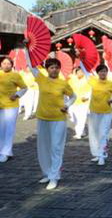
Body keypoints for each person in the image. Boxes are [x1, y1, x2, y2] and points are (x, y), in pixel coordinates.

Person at [24, 49, 76, 189]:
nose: (54, 70)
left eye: (56, 67)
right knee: (43, 147)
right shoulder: (41, 79)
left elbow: (73, 97)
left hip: (58, 118)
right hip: (43, 117)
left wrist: (67, 105)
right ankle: (46, 173)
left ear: (59, 69)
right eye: (51, 67)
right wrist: (26, 49)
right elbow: (31, 65)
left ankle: (54, 176)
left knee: (56, 148)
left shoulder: (63, 83)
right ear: (47, 69)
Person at [81, 63, 112, 166]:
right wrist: (80, 58)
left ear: (107, 72)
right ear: (98, 73)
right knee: (94, 133)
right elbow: (85, 71)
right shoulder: (93, 81)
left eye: (105, 71)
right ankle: (96, 154)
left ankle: (102, 155)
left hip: (106, 112)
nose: (103, 73)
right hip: (94, 111)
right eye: (101, 71)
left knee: (103, 133)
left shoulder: (110, 84)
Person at [0, 56, 28, 162]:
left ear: (12, 65)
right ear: (1, 65)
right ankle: (2, 150)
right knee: (1, 129)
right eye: (4, 63)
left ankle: (5, 152)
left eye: (8, 63)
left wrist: (16, 95)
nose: (6, 65)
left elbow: (24, 87)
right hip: (1, 105)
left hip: (11, 106)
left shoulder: (15, 75)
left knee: (9, 129)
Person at [68, 67, 91, 139]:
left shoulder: (87, 79)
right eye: (79, 72)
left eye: (82, 72)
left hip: (83, 102)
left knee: (81, 118)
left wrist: (87, 97)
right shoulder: (72, 79)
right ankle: (82, 131)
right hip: (73, 102)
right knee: (74, 118)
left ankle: (79, 134)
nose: (80, 73)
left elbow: (91, 90)